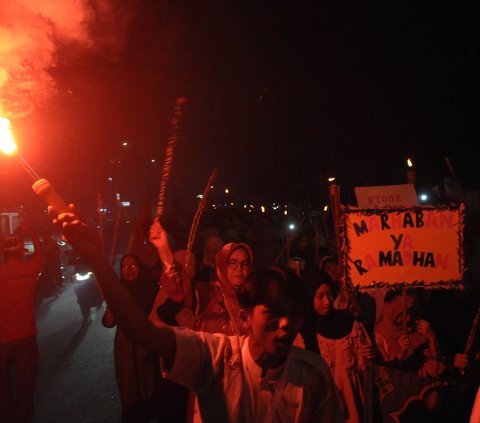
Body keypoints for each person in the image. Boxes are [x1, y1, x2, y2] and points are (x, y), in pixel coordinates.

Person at [48, 206, 344, 423]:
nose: (285, 324)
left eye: (292, 313)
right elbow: (145, 329)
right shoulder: (215, 356)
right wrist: (98, 260)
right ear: (246, 317)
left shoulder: (313, 375)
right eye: (272, 313)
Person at [301, 273, 377, 423]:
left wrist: (368, 358)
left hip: (352, 405)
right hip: (323, 407)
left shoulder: (350, 324)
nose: (327, 301)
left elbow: (364, 369)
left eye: (330, 295)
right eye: (320, 296)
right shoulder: (305, 332)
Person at [374, 288, 448, 423]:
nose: (407, 318)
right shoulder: (378, 337)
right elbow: (380, 378)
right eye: (402, 313)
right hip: (395, 406)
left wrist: (432, 339)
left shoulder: (418, 332)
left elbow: (436, 369)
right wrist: (401, 353)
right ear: (389, 308)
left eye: (410, 312)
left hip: (419, 402)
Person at [102, 253, 160, 423]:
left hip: (147, 346)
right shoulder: (118, 291)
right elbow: (108, 322)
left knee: (150, 388)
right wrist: (113, 301)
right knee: (130, 390)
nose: (128, 270)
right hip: (125, 348)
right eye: (124, 267)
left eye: (132, 265)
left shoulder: (151, 289)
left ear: (140, 267)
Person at [0, 222, 44, 423]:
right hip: (26, 337)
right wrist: (30, 230)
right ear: (21, 251)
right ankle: (23, 416)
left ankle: (7, 415)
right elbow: (41, 252)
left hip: (1, 341)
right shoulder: (30, 270)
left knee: (3, 385)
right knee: (26, 382)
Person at [195, 241, 254, 335]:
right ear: (223, 265)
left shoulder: (253, 297)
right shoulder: (209, 292)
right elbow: (183, 291)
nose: (239, 268)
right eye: (233, 263)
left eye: (245, 264)